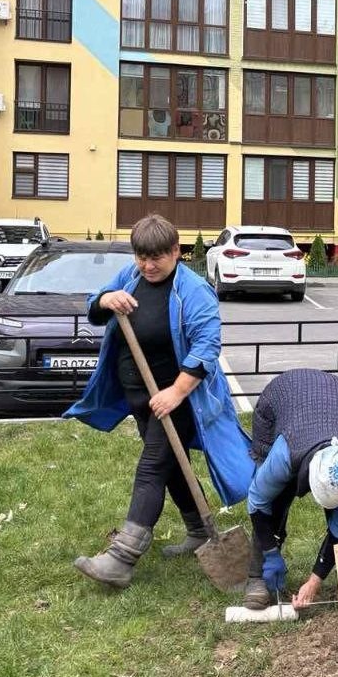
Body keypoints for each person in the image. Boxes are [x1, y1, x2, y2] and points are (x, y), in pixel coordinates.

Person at [65, 214, 254, 588]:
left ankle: (121, 558)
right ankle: (200, 531)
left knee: (152, 466)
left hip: (178, 397)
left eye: (156, 258)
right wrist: (105, 299)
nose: (148, 266)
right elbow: (92, 307)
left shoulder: (194, 289)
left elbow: (206, 347)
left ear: (175, 252)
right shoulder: (130, 278)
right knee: (168, 465)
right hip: (139, 394)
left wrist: (176, 392)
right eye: (141, 257)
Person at [245, 369, 338, 611]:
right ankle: (258, 576)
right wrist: (271, 553)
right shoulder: (284, 456)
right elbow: (256, 502)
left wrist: (314, 581)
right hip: (280, 401)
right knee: (274, 500)